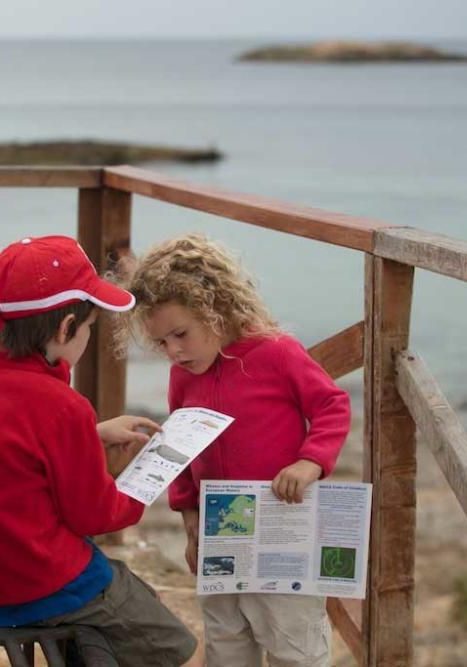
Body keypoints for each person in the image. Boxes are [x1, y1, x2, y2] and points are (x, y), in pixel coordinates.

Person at [0, 235, 199, 667]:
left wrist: (89, 436)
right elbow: (94, 517)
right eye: (91, 327)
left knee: (132, 591)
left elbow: (6, 450)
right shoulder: (62, 407)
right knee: (180, 649)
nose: (91, 336)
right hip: (42, 583)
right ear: (65, 328)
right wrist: (144, 482)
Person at [116, 233, 351, 667]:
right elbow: (180, 447)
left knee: (293, 644)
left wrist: (310, 461)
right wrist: (189, 520)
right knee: (226, 641)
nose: (173, 351)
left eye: (180, 334)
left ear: (216, 307)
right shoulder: (183, 376)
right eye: (161, 342)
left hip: (283, 526)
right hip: (220, 532)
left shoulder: (278, 353)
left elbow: (331, 404)